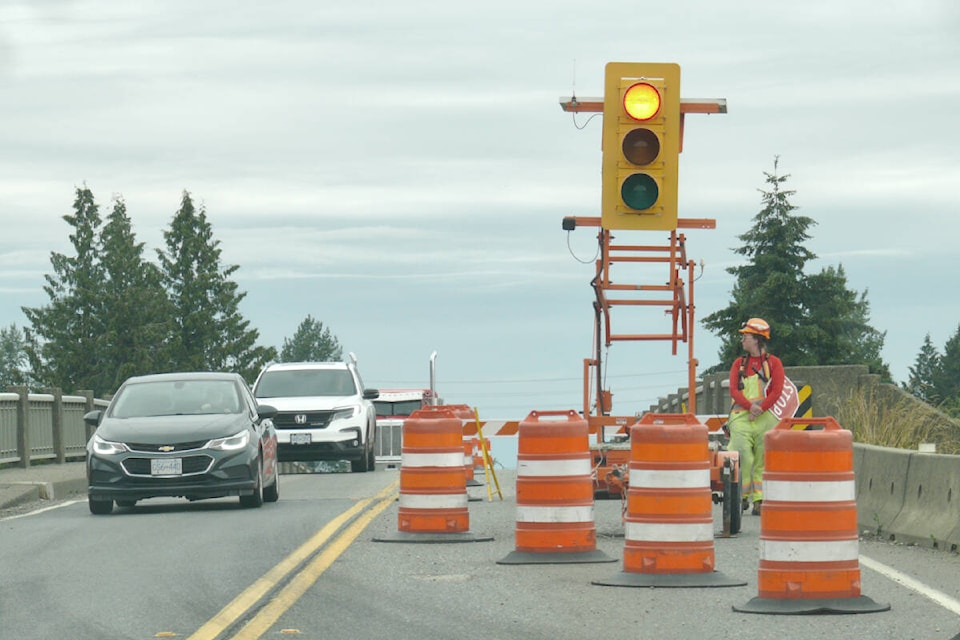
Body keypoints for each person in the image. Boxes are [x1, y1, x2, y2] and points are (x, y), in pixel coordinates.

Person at [727, 317, 784, 516]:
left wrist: (760, 409)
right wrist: (750, 407)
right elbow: (734, 390)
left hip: (764, 417)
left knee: (763, 458)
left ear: (757, 339)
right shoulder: (738, 364)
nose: (742, 340)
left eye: (746, 336)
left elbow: (777, 391)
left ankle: (759, 499)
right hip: (741, 416)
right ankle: (740, 496)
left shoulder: (774, 363)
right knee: (743, 455)